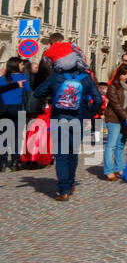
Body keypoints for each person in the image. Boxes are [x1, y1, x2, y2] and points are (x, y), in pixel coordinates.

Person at [30, 42, 102, 200]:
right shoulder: (86, 78)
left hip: (59, 119)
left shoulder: (56, 77)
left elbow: (37, 93)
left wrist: (52, 94)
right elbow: (98, 100)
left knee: (61, 155)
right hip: (78, 119)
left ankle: (63, 190)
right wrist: (89, 115)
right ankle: (70, 183)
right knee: (72, 153)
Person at [0, 57, 30, 171]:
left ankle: (2, 163)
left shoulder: (3, 78)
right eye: (21, 65)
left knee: (3, 136)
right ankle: (15, 162)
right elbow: (28, 92)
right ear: (16, 65)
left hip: (3, 109)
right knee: (16, 136)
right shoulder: (23, 77)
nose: (23, 67)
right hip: (18, 108)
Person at [102, 65, 127, 181]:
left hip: (124, 119)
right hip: (113, 118)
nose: (126, 76)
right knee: (111, 145)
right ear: (119, 74)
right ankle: (108, 170)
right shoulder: (113, 87)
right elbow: (116, 105)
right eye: (124, 74)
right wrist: (126, 117)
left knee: (120, 145)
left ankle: (119, 168)